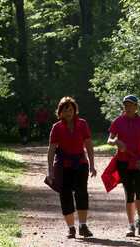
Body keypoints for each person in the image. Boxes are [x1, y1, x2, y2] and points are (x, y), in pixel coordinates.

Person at [102, 95, 140, 237]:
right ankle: (131, 225)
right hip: (122, 161)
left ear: (136, 107)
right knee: (128, 191)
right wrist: (116, 142)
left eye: (130, 105)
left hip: (139, 161)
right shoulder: (118, 121)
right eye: (126, 106)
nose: (128, 108)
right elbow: (109, 139)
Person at [45, 96, 97, 239]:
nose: (68, 113)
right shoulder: (56, 127)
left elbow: (89, 146)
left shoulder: (82, 124)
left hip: (80, 163)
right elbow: (51, 150)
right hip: (63, 165)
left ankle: (83, 226)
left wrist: (92, 165)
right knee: (65, 194)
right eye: (65, 110)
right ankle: (71, 228)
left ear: (75, 110)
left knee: (81, 193)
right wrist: (50, 171)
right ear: (60, 112)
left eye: (70, 110)